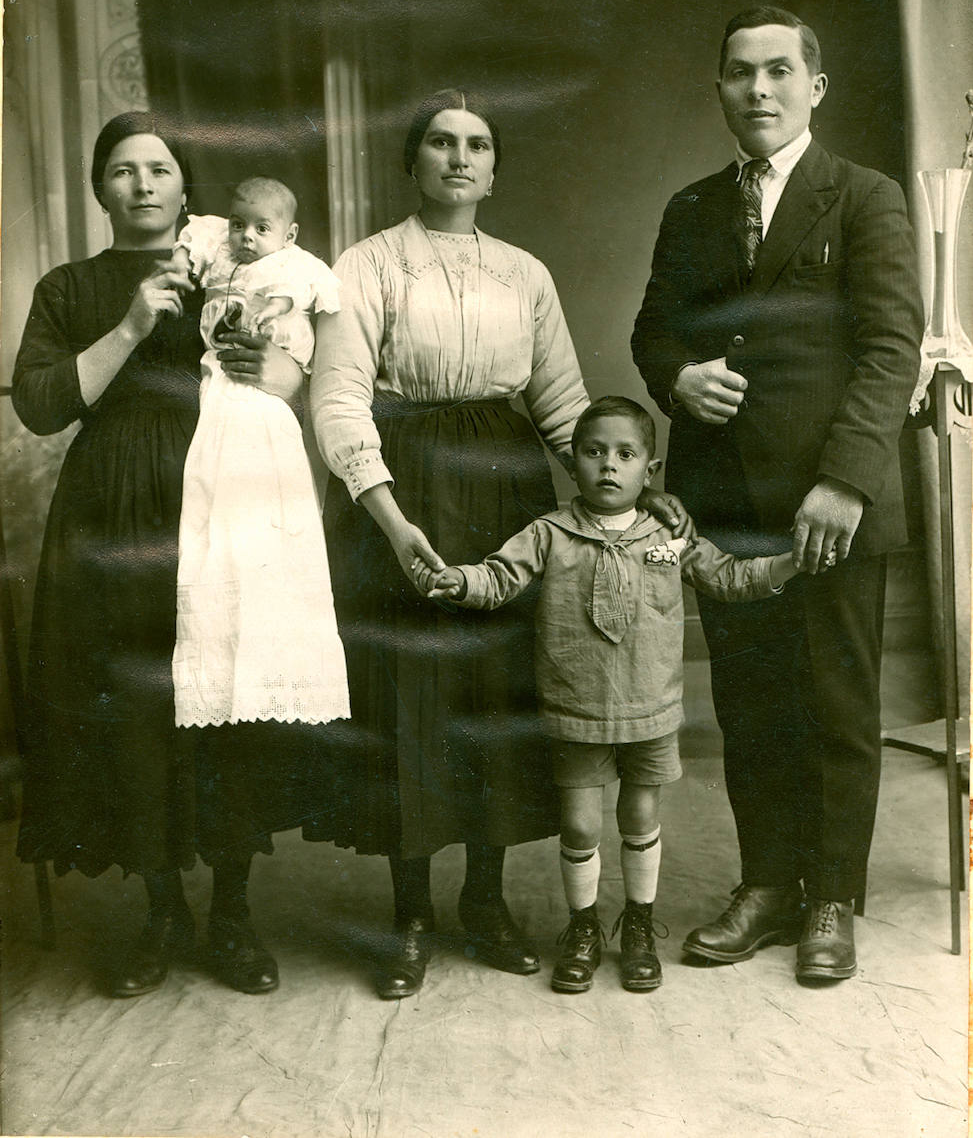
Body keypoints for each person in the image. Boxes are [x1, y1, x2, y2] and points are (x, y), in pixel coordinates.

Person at [311, 89, 687, 999]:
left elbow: (563, 409)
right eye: (439, 142)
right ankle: (408, 914)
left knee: (495, 693)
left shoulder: (524, 273)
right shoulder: (364, 266)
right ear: (412, 161)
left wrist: (647, 498)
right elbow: (336, 398)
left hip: (505, 493)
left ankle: (485, 900)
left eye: (476, 145)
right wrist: (392, 522)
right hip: (403, 489)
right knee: (412, 700)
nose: (458, 157)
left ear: (492, 167)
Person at [631, 7, 923, 983]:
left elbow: (889, 352)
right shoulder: (689, 210)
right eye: (739, 74)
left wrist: (843, 482)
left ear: (814, 86)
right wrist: (677, 378)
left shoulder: (865, 199)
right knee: (750, 703)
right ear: (718, 89)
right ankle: (765, 886)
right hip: (723, 502)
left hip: (829, 502)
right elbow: (651, 333)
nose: (758, 90)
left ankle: (830, 898)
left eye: (777, 72)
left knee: (837, 705)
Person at [12, 112, 313, 999]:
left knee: (222, 704)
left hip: (216, 501)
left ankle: (231, 914)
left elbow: (287, 376)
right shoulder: (69, 286)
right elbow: (37, 407)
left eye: (158, 169)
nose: (141, 185)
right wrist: (135, 321)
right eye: (121, 171)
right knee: (137, 710)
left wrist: (265, 348)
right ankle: (161, 911)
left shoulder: (232, 269)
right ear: (102, 190)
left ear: (186, 189)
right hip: (111, 516)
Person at [415, 396, 805, 995]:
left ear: (650, 471)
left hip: (648, 709)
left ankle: (640, 926)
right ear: (573, 464)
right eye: (594, 453)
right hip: (577, 708)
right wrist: (459, 580)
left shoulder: (668, 537)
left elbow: (728, 575)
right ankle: (583, 927)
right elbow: (500, 575)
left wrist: (785, 566)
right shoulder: (550, 533)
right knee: (578, 824)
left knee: (640, 814)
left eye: (626, 455)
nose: (608, 466)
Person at [170, 178, 349, 731]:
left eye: (261, 228)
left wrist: (275, 302)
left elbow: (327, 287)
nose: (246, 237)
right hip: (217, 394)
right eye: (239, 224)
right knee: (211, 516)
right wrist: (181, 261)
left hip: (265, 401)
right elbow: (197, 232)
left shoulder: (293, 263)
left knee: (268, 528)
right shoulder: (219, 243)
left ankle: (275, 675)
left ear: (289, 234)